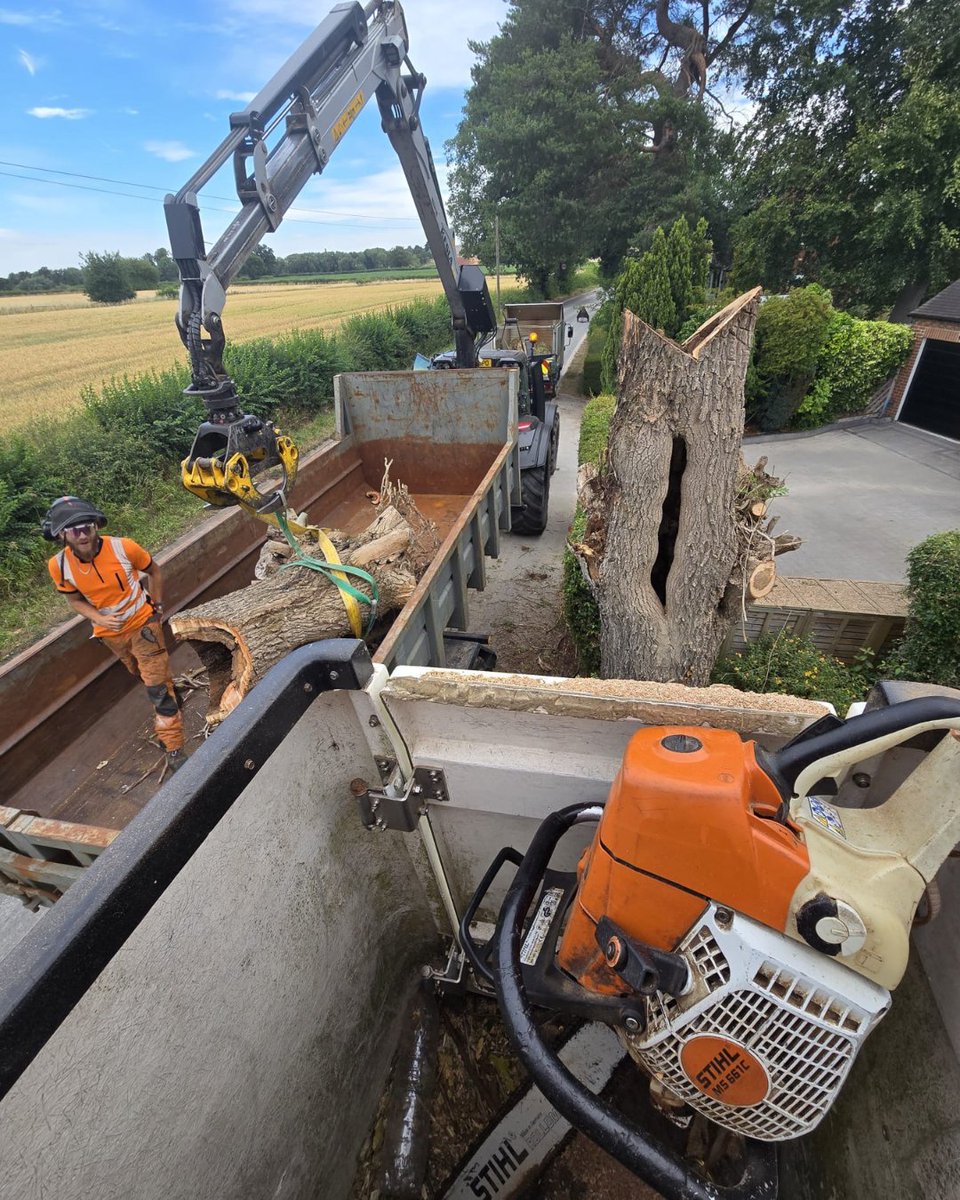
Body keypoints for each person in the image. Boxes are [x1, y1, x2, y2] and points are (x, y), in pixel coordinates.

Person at [44, 496, 187, 773]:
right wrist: (99, 618)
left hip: (143, 624)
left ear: (96, 526)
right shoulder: (59, 566)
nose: (83, 535)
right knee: (141, 673)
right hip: (110, 634)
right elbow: (74, 600)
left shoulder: (124, 548)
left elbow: (153, 570)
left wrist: (156, 608)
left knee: (157, 691)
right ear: (62, 534)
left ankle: (174, 749)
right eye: (75, 530)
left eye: (87, 527)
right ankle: (170, 692)